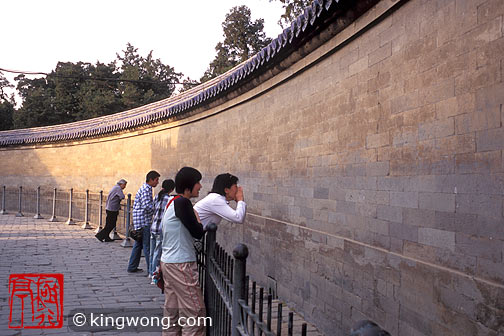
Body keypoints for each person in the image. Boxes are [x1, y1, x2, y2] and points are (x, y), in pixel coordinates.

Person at [160, 167, 205, 336]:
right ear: (189, 186)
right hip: (181, 264)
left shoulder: (171, 202)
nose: (200, 186)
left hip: (169, 263)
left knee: (173, 313)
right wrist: (199, 220)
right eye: (198, 183)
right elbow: (198, 232)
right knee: (195, 314)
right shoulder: (183, 202)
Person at [127, 170, 160, 274]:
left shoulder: (145, 188)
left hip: (139, 220)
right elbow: (147, 206)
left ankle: (132, 266)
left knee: (138, 244)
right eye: (156, 180)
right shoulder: (147, 189)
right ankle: (151, 270)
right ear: (150, 180)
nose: (157, 182)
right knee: (147, 246)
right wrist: (156, 209)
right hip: (143, 221)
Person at [150, 179, 175, 283]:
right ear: (172, 189)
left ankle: (150, 272)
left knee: (152, 252)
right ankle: (153, 275)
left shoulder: (157, 196)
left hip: (153, 227)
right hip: (160, 229)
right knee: (157, 253)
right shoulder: (168, 199)